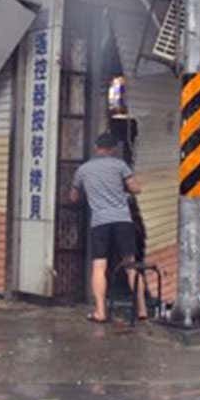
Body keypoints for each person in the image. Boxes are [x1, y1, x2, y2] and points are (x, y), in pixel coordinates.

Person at [70, 133, 144, 322]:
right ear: (113, 149)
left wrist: (91, 192)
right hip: (122, 220)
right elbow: (136, 188)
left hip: (100, 222)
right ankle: (142, 310)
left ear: (96, 147)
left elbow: (73, 197)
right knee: (131, 265)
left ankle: (100, 312)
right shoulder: (120, 165)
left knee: (99, 265)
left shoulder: (83, 170)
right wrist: (123, 187)